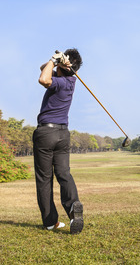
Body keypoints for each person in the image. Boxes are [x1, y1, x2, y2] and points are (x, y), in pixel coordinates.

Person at [33, 48, 84, 234]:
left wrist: (54, 60)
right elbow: (43, 68)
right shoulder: (71, 80)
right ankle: (72, 209)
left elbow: (43, 79)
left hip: (46, 133)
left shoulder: (59, 82)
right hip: (63, 134)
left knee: (44, 179)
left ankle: (50, 222)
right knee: (64, 174)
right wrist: (57, 62)